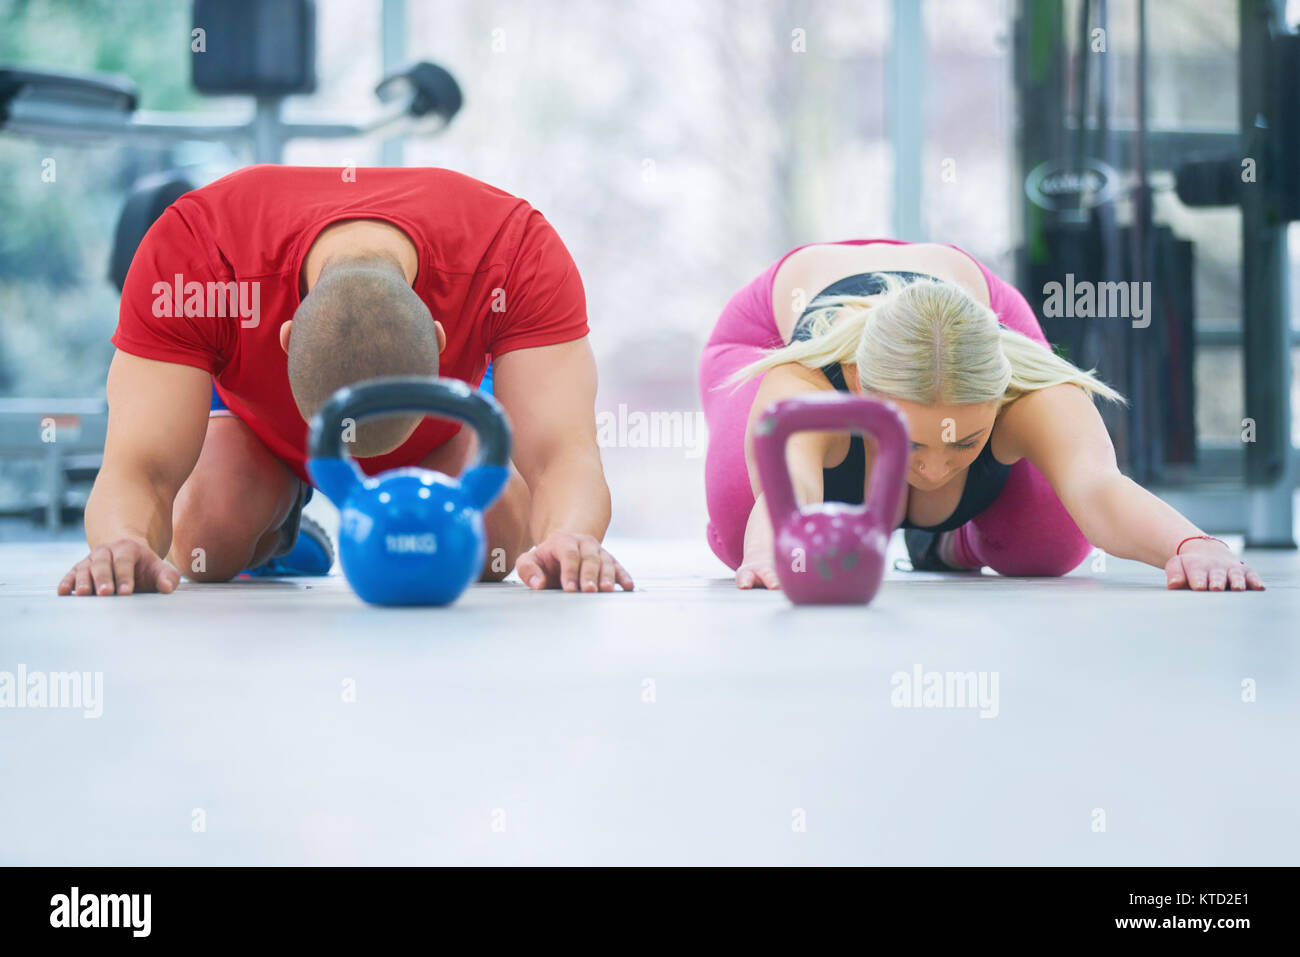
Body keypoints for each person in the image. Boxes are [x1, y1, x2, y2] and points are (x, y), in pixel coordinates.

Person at [59, 165, 632, 596]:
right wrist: (124, 541)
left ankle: (441, 490)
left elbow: (564, 455)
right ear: (285, 337)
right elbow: (140, 470)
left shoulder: (514, 250)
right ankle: (281, 525)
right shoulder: (194, 251)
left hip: (438, 435)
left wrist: (569, 537)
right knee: (206, 542)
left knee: (492, 550)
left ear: (437, 337)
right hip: (262, 432)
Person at [700, 238, 1264, 592]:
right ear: (857, 392)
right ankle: (877, 502)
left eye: (964, 443)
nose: (937, 469)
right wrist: (778, 550)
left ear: (1001, 398)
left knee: (1052, 545)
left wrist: (1194, 545)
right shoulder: (809, 382)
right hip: (772, 328)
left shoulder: (1029, 385)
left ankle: (944, 541)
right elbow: (788, 485)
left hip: (974, 318)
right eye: (913, 447)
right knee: (740, 532)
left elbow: (1097, 486)